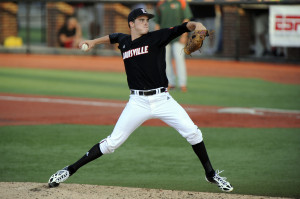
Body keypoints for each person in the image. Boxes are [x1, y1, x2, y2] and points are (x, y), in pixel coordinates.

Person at [48, 8, 233, 193]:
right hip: (137, 103)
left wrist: (198, 26)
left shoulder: (157, 37)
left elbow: (185, 26)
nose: (146, 22)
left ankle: (210, 174)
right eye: (141, 19)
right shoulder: (124, 41)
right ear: (131, 23)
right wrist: (93, 42)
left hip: (163, 100)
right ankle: (69, 170)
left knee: (194, 133)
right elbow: (113, 37)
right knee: (112, 143)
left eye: (147, 19)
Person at [154, 0, 193, 92]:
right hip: (164, 37)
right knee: (165, 61)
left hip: (178, 36)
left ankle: (182, 84)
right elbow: (157, 23)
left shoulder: (181, 2)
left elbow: (186, 19)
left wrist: (184, 35)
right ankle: (170, 83)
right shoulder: (161, 3)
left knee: (179, 59)